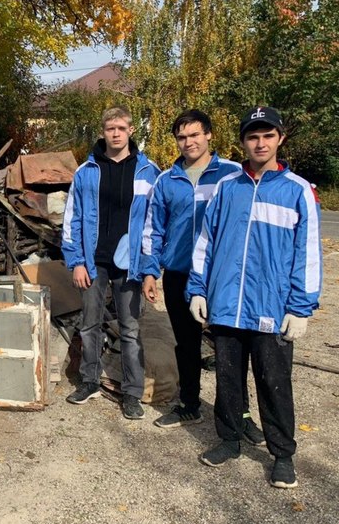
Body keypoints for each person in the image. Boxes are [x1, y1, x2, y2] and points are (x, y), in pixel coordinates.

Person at [186, 106, 321, 488]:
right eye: (252, 136)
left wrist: (301, 306)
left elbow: (307, 253)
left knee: (274, 383)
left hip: (272, 308)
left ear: (279, 139)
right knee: (228, 379)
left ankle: (282, 454)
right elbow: (205, 243)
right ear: (243, 142)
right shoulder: (228, 188)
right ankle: (229, 440)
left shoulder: (297, 191)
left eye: (267, 136)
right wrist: (198, 288)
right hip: (227, 304)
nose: (260, 143)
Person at [140, 110, 264, 443]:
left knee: (231, 348)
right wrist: (151, 271)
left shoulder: (233, 175)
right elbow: (153, 229)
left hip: (222, 277)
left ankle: (241, 414)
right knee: (187, 344)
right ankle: (190, 403)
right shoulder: (167, 180)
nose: (188, 142)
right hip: (180, 274)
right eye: (182, 137)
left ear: (209, 135)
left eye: (195, 135)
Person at [62, 107, 160, 419]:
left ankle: (132, 393)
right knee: (90, 324)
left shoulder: (148, 171)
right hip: (94, 262)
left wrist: (149, 269)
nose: (115, 133)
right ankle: (89, 381)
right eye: (109, 128)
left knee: (130, 328)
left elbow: (153, 225)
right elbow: (72, 220)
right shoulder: (86, 171)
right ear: (103, 131)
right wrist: (77, 261)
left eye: (121, 127)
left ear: (131, 130)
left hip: (130, 265)